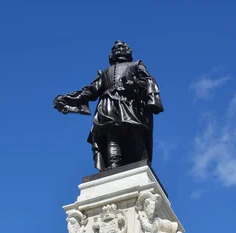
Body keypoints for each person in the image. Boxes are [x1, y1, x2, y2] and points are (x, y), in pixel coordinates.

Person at [53, 41, 163, 170]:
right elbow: (90, 91)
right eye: (115, 48)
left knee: (134, 131)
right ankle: (113, 163)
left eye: (122, 47)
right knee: (111, 134)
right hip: (108, 105)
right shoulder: (104, 73)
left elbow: (148, 81)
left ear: (128, 51)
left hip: (129, 104)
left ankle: (140, 161)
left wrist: (134, 83)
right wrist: (68, 100)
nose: (118, 49)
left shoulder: (136, 65)